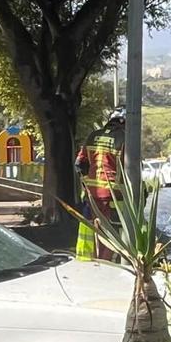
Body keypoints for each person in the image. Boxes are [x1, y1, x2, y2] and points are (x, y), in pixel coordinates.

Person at [74, 107, 125, 261]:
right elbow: (133, 169)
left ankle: (85, 258)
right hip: (114, 195)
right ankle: (107, 262)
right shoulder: (125, 138)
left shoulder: (93, 136)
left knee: (88, 228)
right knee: (112, 231)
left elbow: (79, 164)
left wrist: (87, 184)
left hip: (91, 195)